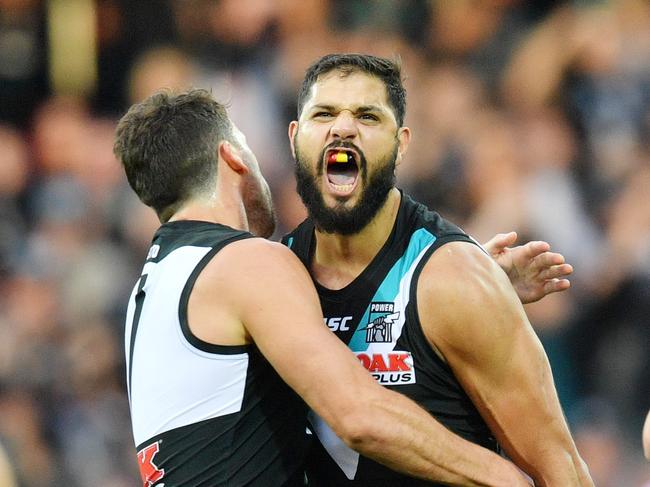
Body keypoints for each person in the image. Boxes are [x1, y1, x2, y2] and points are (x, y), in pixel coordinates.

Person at [114, 89, 532, 487]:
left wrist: (457, 282)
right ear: (232, 156)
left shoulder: (156, 286)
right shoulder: (246, 262)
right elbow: (359, 416)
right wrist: (497, 475)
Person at [284, 53, 594, 486]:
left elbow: (562, 473)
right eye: (325, 113)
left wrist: (477, 288)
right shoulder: (271, 276)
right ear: (295, 136)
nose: (343, 127)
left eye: (368, 116)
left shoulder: (453, 281)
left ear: (402, 142)